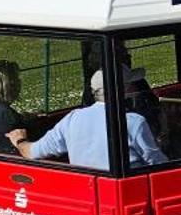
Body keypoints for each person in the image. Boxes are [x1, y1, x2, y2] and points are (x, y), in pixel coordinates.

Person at [11, 68, 169, 171]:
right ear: (124, 89)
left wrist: (19, 141)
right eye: (131, 85)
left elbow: (33, 152)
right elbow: (159, 165)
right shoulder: (134, 122)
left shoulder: (72, 119)